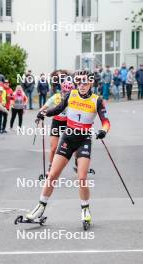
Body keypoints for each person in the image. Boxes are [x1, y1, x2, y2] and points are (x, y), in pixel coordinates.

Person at [25, 73, 110, 226]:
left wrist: (103, 131)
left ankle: (85, 209)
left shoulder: (97, 100)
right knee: (52, 175)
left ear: (90, 84)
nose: (82, 86)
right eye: (79, 83)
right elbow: (58, 109)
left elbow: (106, 121)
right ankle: (40, 207)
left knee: (82, 177)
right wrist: (44, 112)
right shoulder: (71, 95)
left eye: (85, 83)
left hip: (84, 140)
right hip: (68, 138)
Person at [39, 81, 75, 175]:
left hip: (69, 122)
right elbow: (45, 106)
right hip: (57, 122)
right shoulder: (56, 97)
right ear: (62, 90)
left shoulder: (75, 98)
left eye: (69, 92)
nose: (67, 94)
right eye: (65, 91)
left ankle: (78, 164)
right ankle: (50, 166)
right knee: (54, 147)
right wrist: (39, 114)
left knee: (75, 145)